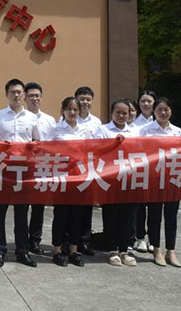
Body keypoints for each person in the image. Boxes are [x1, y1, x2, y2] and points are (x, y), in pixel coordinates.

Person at [0, 78, 40, 268]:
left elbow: (37, 143)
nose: (16, 95)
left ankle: (22, 251)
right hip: (3, 170)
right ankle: (0, 251)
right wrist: (0, 146)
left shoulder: (32, 118)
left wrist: (30, 147)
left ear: (24, 95)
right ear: (6, 94)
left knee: (22, 213)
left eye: (19, 92)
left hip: (24, 171)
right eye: (12, 92)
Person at [93, 99, 139, 266]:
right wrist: (113, 144)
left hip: (130, 179)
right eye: (118, 112)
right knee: (111, 215)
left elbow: (142, 152)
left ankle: (125, 250)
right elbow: (96, 150)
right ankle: (112, 249)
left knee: (128, 216)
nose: (121, 116)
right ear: (111, 113)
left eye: (124, 113)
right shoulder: (103, 130)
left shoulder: (135, 131)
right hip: (110, 179)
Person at [141, 97, 181, 268]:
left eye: (166, 109)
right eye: (159, 109)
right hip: (154, 178)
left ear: (171, 111)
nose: (163, 113)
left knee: (171, 216)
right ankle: (156, 249)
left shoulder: (177, 131)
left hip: (173, 178)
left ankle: (171, 251)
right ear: (154, 111)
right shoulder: (146, 130)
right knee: (154, 215)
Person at [48, 97, 89, 267]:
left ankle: (74, 250)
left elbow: (92, 151)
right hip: (62, 179)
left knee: (77, 216)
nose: (72, 112)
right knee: (61, 215)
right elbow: (46, 150)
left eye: (75, 109)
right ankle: (57, 250)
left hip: (79, 178)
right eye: (69, 109)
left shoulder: (85, 131)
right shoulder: (55, 130)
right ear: (63, 111)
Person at [24, 81, 57, 256]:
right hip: (23, 167)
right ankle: (22, 239)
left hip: (42, 167)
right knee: (22, 206)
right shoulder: (20, 117)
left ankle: (35, 240)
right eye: (31, 96)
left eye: (37, 96)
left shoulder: (49, 120)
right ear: (25, 98)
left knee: (38, 207)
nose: (34, 99)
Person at [74, 85, 102, 256]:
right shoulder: (68, 118)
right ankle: (69, 241)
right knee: (71, 208)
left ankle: (84, 242)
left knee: (87, 209)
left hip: (89, 171)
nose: (85, 102)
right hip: (72, 171)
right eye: (81, 99)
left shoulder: (97, 122)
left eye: (88, 99)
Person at [132, 91, 157, 253]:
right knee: (140, 207)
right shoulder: (134, 124)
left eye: (149, 101)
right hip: (140, 169)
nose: (146, 104)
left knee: (155, 207)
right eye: (143, 101)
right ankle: (140, 237)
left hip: (157, 171)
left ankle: (153, 239)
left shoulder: (160, 121)